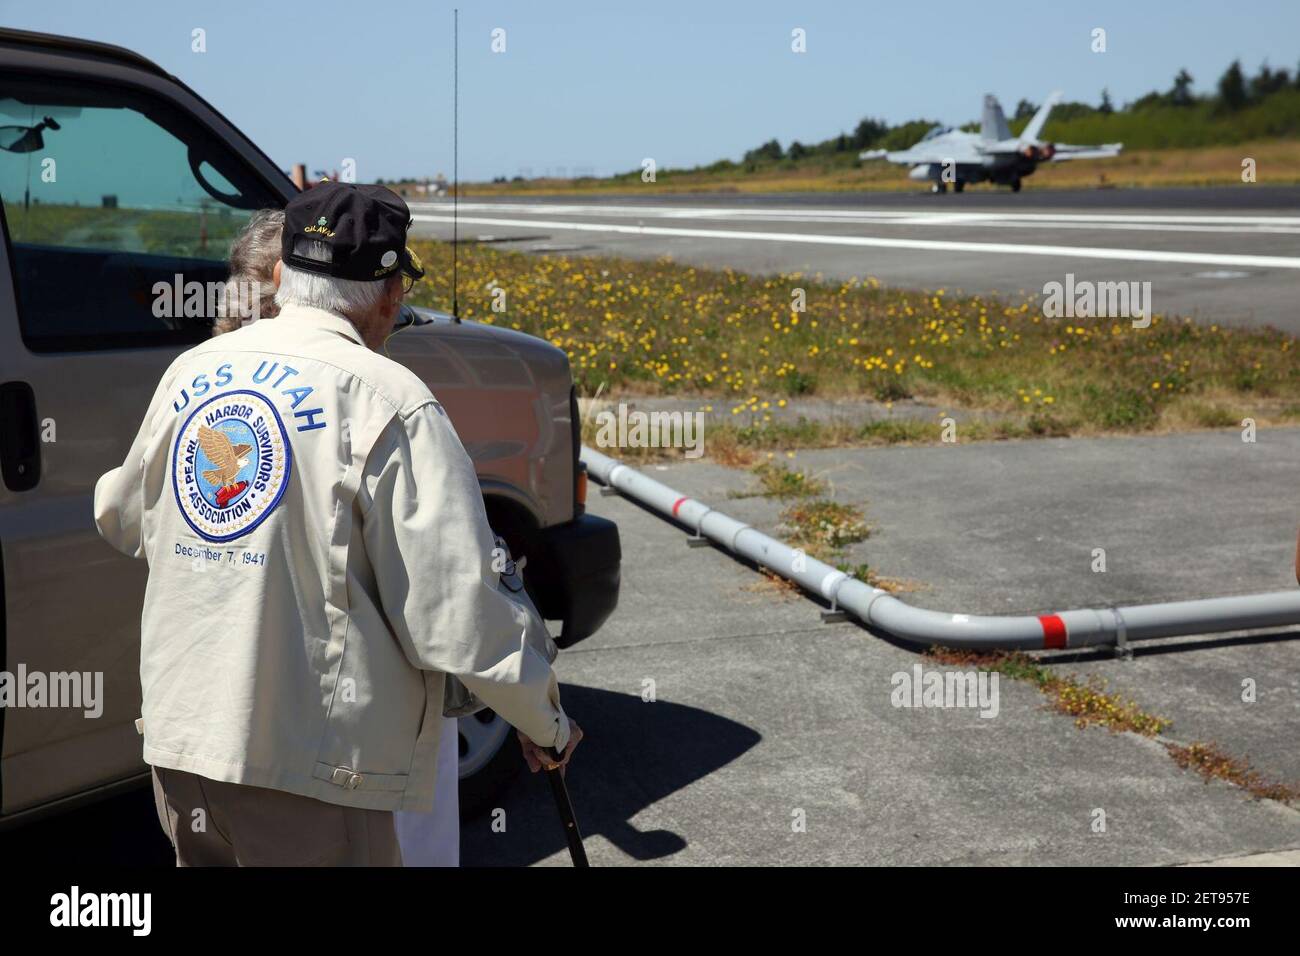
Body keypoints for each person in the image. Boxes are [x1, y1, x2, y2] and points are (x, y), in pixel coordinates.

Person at [95, 182, 580, 866]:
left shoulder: (192, 372)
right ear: (390, 297)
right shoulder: (392, 399)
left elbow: (118, 517)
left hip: (184, 751)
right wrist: (546, 722)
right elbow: (457, 618)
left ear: (279, 275)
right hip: (311, 775)